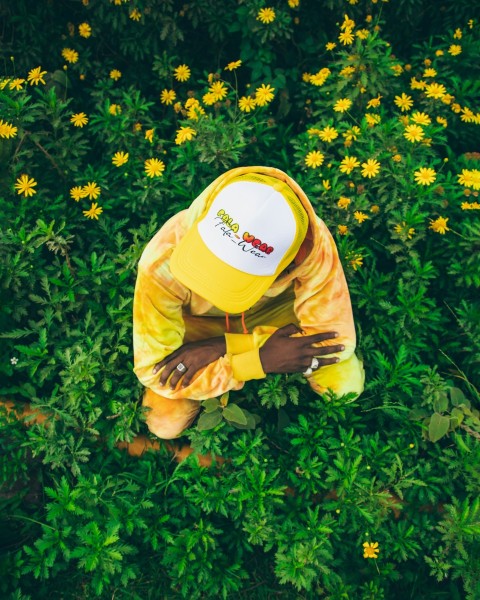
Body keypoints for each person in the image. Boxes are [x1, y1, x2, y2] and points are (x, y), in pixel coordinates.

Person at [133, 166, 364, 439]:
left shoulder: (312, 246)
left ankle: (217, 374)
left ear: (288, 262)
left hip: (274, 318)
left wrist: (227, 346)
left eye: (236, 275)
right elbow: (152, 369)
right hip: (199, 328)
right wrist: (257, 361)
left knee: (345, 387)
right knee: (163, 422)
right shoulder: (162, 258)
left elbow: (338, 339)